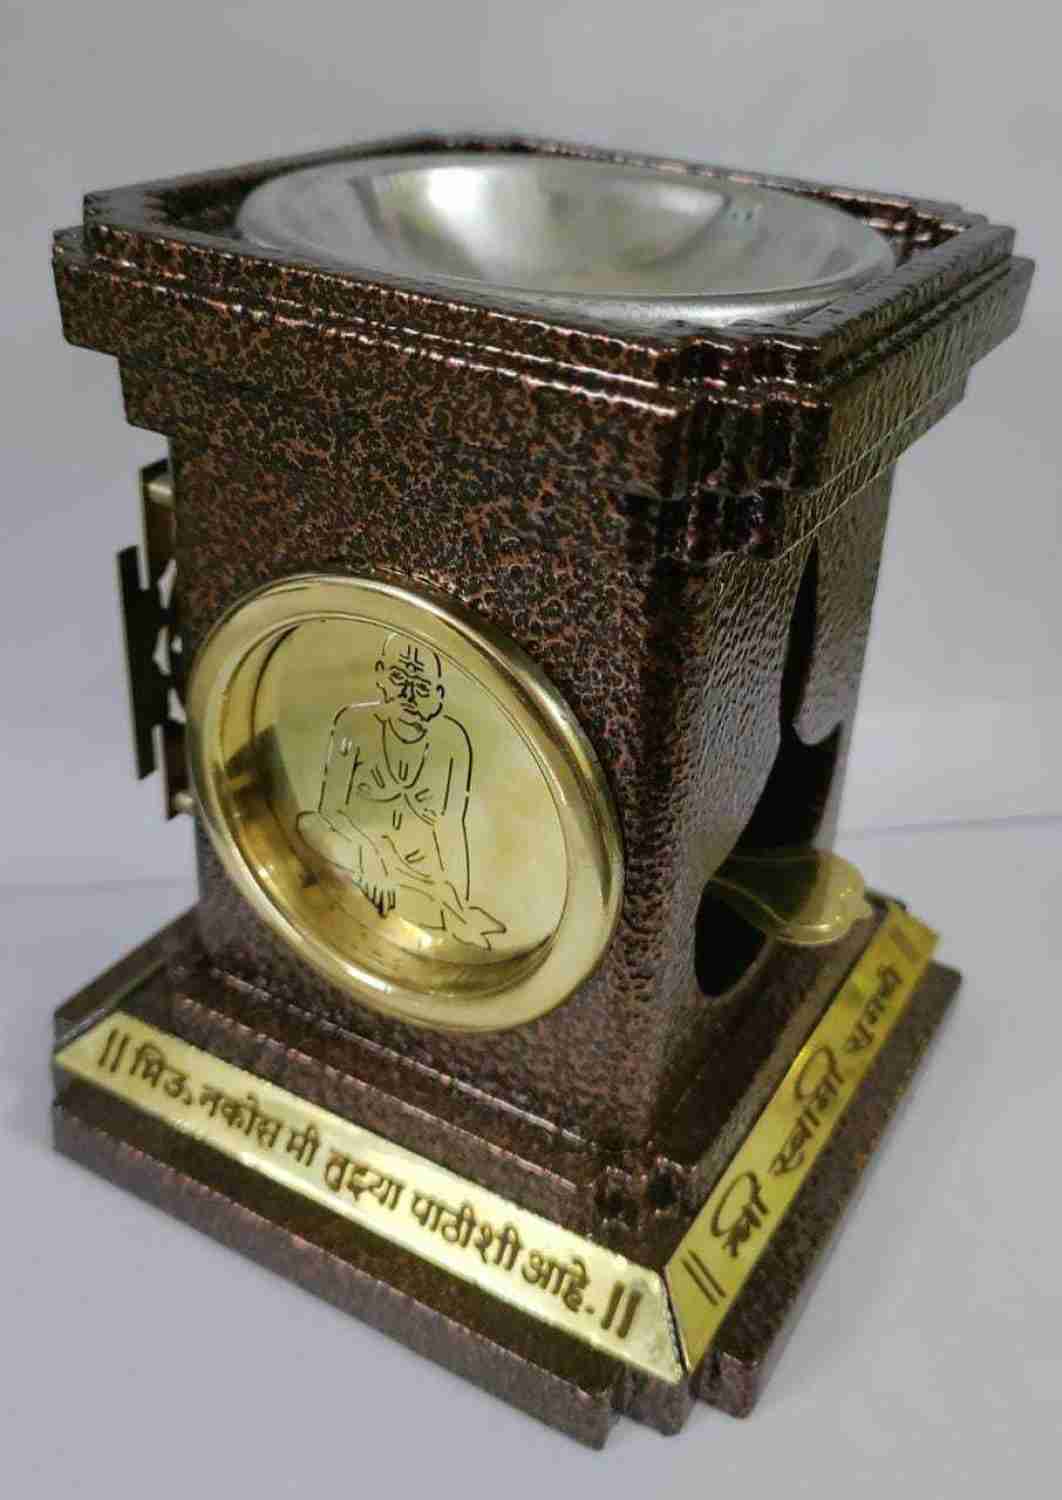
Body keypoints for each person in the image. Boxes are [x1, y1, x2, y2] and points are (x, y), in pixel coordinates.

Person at [296, 633, 505, 951]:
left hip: (416, 869)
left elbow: (452, 828)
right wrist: (374, 852)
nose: (408, 695)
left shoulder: (453, 741)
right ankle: (428, 903)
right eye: (399, 679)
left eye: (420, 687)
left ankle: (440, 905)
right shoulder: (353, 722)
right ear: (380, 675)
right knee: (307, 825)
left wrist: (456, 896)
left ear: (438, 695)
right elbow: (330, 810)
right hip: (358, 847)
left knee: (434, 904)